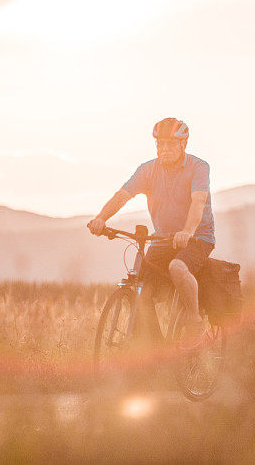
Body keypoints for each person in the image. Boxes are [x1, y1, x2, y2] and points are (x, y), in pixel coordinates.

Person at [87, 117, 215, 349]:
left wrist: (187, 231)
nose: (164, 149)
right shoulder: (148, 170)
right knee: (140, 288)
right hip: (163, 239)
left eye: (171, 144)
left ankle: (194, 323)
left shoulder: (199, 168)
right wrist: (101, 218)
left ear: (183, 145)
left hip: (197, 238)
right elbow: (122, 195)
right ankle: (156, 348)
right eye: (160, 144)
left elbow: (198, 202)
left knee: (177, 267)